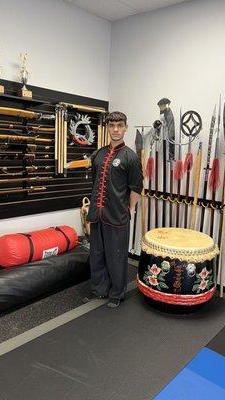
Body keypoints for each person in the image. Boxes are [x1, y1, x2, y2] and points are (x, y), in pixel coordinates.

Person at [83, 111, 143, 308]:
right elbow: (95, 183)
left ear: (126, 127)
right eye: (112, 126)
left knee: (116, 256)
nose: (115, 129)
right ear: (107, 128)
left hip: (117, 215)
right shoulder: (98, 154)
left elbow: (136, 188)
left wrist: (128, 209)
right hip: (96, 214)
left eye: (119, 125)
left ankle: (117, 293)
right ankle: (100, 290)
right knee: (97, 254)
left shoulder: (130, 157)